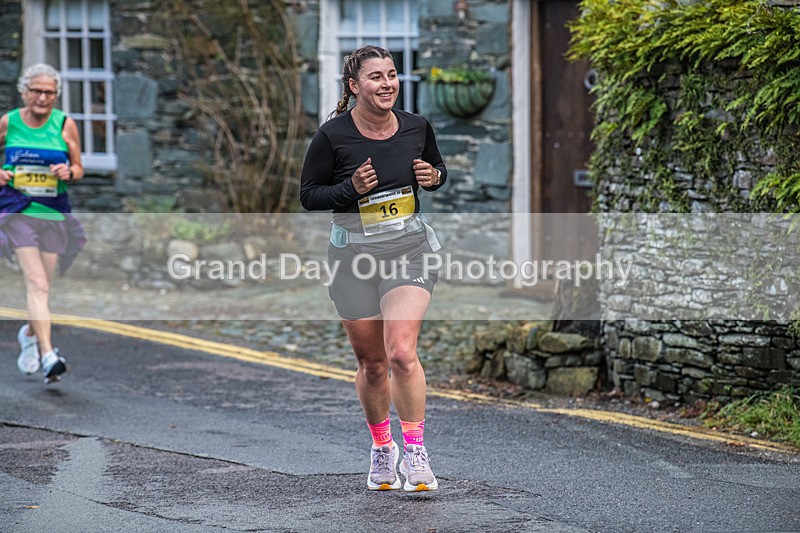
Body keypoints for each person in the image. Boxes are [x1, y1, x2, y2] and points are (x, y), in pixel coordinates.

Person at [300, 45, 446, 492]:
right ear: (354, 86)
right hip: (353, 258)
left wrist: (435, 177)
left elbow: (437, 169)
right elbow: (310, 196)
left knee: (401, 351)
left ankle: (416, 453)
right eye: (375, 77)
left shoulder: (417, 127)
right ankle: (383, 448)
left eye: (392, 75)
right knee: (373, 363)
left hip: (409, 249)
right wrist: (349, 188)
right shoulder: (332, 137)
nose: (387, 84)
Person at [0, 63, 85, 384]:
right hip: (19, 210)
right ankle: (49, 355)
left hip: (54, 213)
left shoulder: (65, 125)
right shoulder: (8, 122)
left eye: (49, 92)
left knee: (45, 286)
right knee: (36, 283)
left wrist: (70, 173)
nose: (43, 97)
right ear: (24, 92)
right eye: (36, 90)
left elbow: (79, 167)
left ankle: (29, 334)